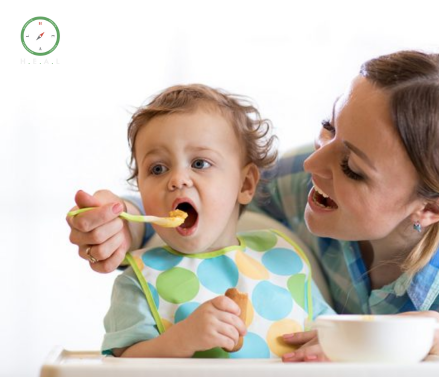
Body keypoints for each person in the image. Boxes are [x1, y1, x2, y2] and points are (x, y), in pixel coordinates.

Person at [67, 51, 439, 376]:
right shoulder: (307, 184)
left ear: (430, 208)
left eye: (351, 166)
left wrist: (429, 339)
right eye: (330, 127)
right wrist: (126, 221)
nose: (312, 163)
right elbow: (209, 197)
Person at [70, 84, 334, 359]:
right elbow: (119, 367)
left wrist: (331, 348)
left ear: (245, 184)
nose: (177, 179)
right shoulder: (139, 282)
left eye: (199, 163)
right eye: (157, 168)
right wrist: (180, 341)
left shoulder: (283, 260)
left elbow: (334, 336)